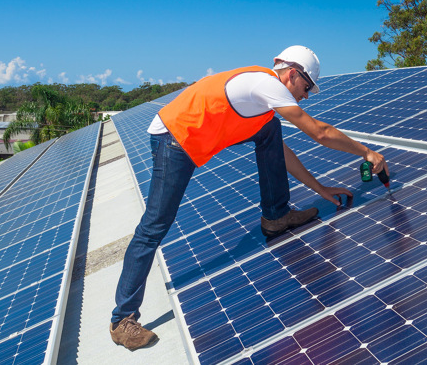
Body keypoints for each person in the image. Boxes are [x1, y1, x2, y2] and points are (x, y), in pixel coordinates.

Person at [109, 45, 389, 350]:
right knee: (155, 225)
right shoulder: (266, 84)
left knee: (270, 131)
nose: (306, 95)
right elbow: (319, 132)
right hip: (174, 138)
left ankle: (276, 216)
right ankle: (122, 319)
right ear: (292, 74)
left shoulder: (263, 104)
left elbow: (282, 154)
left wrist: (320, 189)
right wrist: (367, 152)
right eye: (306, 87)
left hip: (194, 135)